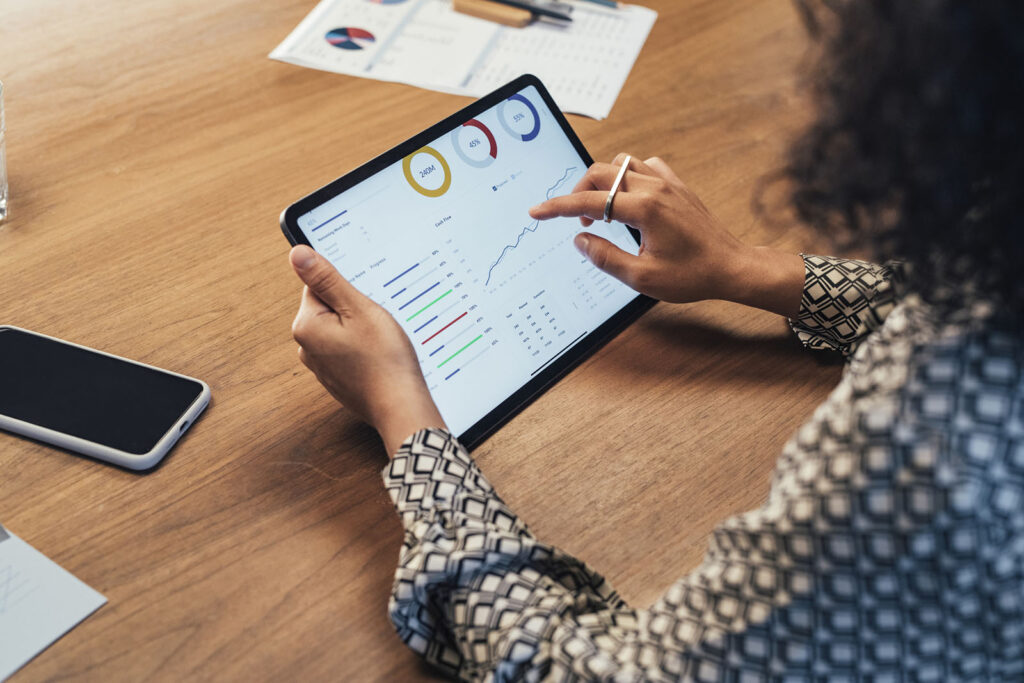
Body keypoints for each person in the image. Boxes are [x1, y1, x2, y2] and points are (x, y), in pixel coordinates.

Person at [288, 1, 1024, 679]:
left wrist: (403, 411)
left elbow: (584, 672)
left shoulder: (931, 441)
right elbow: (972, 292)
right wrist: (749, 269)